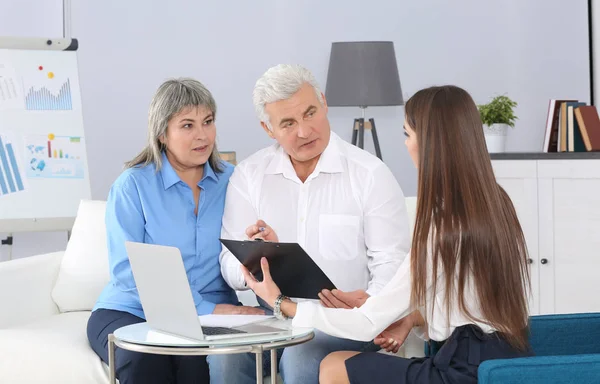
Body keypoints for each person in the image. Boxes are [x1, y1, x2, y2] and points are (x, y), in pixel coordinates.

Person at [242, 85, 533, 384]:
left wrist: (281, 303)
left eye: (408, 134)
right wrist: (402, 316)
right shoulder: (495, 202)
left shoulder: (444, 222)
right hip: (505, 361)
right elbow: (466, 305)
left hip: (462, 372)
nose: (406, 145)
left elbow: (366, 324)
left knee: (332, 367)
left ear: (431, 142)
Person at [208, 64, 411, 384]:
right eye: (288, 123)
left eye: (310, 113)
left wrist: (369, 308)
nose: (304, 131)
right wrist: (258, 258)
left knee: (301, 357)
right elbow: (229, 266)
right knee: (224, 360)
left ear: (324, 103)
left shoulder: (370, 175)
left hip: (343, 323)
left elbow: (393, 266)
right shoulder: (249, 175)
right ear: (268, 128)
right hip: (274, 319)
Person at [86, 78, 263, 384]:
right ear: (162, 133)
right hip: (132, 309)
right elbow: (128, 272)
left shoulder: (234, 181)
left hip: (213, 313)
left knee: (198, 367)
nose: (202, 135)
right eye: (187, 125)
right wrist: (204, 309)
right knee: (145, 360)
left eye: (208, 122)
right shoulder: (133, 186)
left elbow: (247, 252)